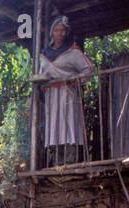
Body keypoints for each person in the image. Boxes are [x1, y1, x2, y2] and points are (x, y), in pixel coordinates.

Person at [37, 16, 95, 167]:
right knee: (53, 125)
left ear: (66, 32)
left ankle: (70, 159)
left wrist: (75, 80)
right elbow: (40, 73)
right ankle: (54, 160)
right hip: (51, 94)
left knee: (68, 123)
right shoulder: (44, 54)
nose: (60, 33)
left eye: (62, 30)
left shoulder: (73, 51)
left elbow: (88, 69)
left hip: (67, 92)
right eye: (56, 30)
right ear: (52, 33)